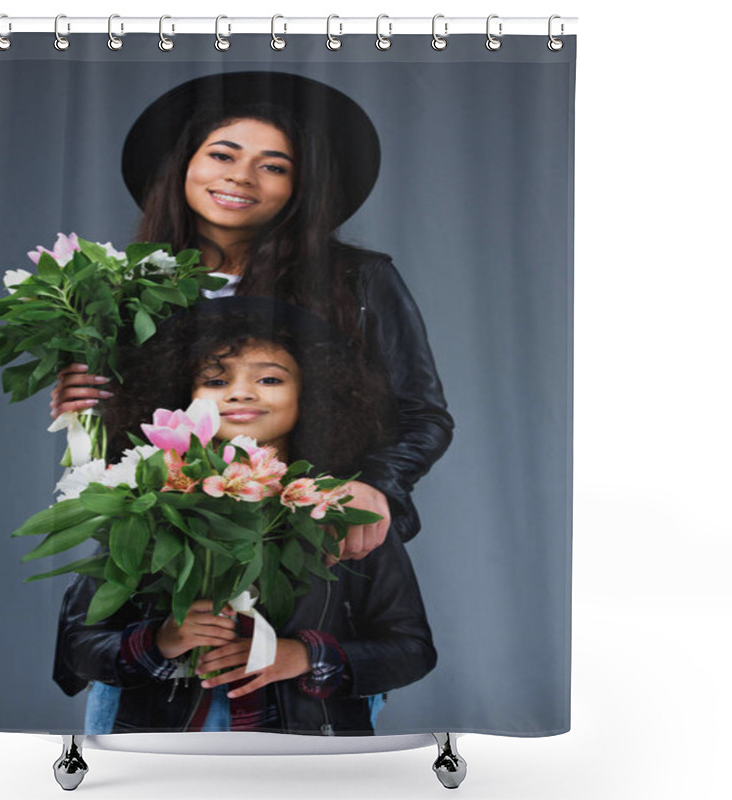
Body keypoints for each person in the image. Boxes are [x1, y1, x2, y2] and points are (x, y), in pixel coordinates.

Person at [50, 71, 454, 559]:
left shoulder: (360, 280)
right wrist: (84, 410)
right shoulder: (120, 292)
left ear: (298, 188)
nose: (241, 176)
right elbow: (126, 440)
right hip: (176, 542)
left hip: (319, 533)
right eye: (222, 155)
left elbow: (422, 414)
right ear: (184, 166)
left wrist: (374, 485)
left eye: (274, 167)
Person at [54, 299, 437, 735]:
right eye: (216, 380)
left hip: (307, 746)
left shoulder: (348, 511)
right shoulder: (144, 503)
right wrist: (160, 641)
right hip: (159, 749)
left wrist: (303, 656)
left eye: (270, 378)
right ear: (185, 396)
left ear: (311, 393)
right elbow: (78, 646)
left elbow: (411, 649)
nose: (240, 392)